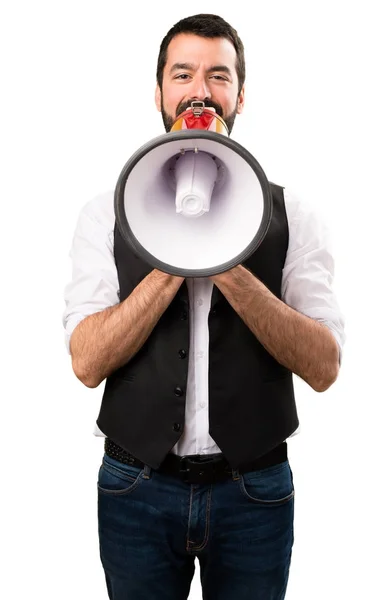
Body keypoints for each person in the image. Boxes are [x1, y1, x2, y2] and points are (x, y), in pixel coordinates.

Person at [63, 13, 345, 600]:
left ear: (241, 93)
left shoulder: (298, 216)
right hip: (135, 486)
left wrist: (230, 262)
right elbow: (86, 362)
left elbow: (324, 367)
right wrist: (174, 253)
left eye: (219, 75)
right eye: (182, 73)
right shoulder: (105, 214)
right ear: (160, 92)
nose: (199, 91)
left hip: (256, 492)